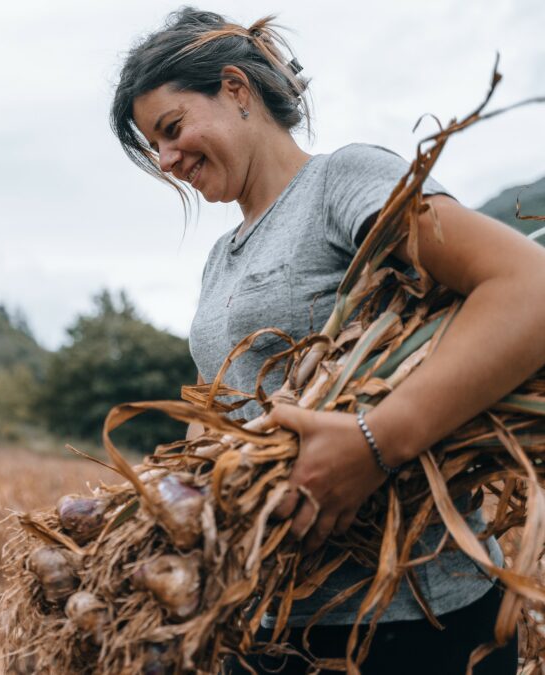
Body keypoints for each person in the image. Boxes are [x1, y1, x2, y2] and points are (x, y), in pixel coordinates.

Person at [109, 7, 545, 674]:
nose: (166, 161)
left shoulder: (341, 180)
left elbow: (527, 287)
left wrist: (376, 442)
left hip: (411, 617)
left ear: (235, 88)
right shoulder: (220, 256)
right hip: (268, 619)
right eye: (155, 147)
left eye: (170, 129)